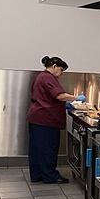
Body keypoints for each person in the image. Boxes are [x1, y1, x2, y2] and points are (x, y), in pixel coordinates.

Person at [26, 56, 85, 184]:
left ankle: (37, 175)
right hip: (46, 120)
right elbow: (59, 95)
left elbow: (48, 97)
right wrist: (76, 98)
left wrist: (64, 105)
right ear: (54, 66)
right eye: (61, 70)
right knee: (48, 148)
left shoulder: (42, 76)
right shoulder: (48, 77)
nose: (61, 74)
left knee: (37, 149)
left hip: (37, 118)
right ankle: (50, 176)